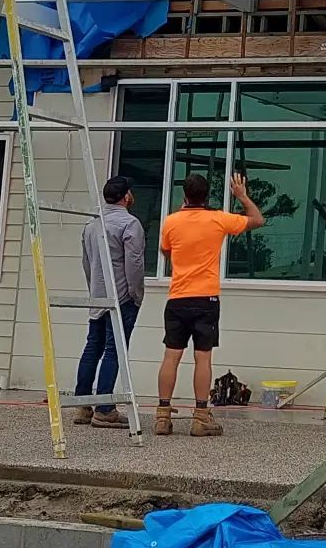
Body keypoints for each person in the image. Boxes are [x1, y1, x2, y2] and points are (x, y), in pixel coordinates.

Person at [155, 171, 265, 437]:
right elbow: (258, 220)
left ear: (185, 195)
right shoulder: (217, 219)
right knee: (202, 357)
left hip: (178, 297)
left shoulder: (171, 221)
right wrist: (242, 196)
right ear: (207, 196)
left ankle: (162, 415)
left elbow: (166, 251)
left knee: (171, 356)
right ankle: (201, 416)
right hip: (206, 297)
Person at [73, 175, 145, 429]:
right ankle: (104, 409)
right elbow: (134, 264)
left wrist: (94, 289)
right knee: (114, 350)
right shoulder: (130, 224)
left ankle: (82, 404)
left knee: (92, 346)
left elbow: (86, 262)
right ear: (126, 196)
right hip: (121, 296)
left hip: (98, 294)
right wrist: (136, 294)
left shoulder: (91, 224)